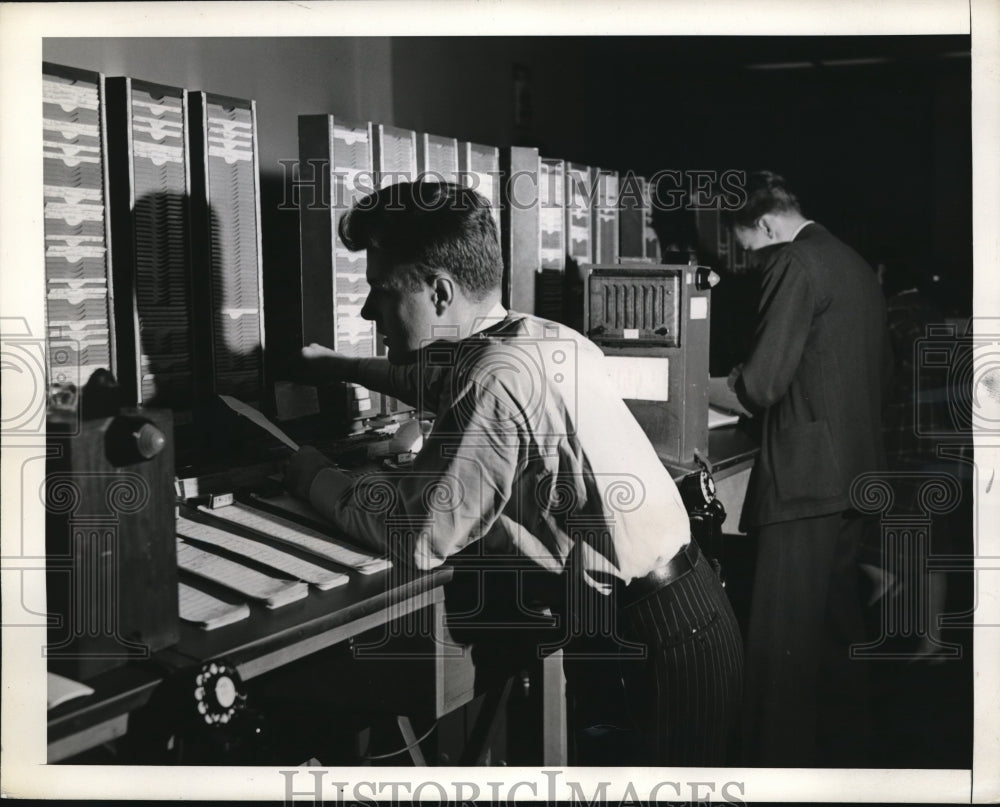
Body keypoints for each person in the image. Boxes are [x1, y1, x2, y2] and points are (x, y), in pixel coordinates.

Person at [285, 180, 743, 766]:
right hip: (682, 616)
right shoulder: (539, 336)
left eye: (379, 290)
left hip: (662, 645)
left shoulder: (493, 378)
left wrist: (311, 476)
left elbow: (420, 536)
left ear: (440, 292)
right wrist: (340, 366)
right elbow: (436, 377)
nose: (368, 310)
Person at [725, 171, 890, 767]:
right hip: (852, 474)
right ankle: (848, 759)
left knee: (779, 649)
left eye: (746, 246)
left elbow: (762, 385)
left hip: (805, 480)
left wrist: (696, 386)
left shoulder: (793, 263)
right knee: (834, 634)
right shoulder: (847, 258)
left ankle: (771, 774)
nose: (750, 260)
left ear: (767, 225)